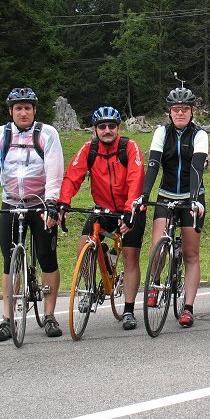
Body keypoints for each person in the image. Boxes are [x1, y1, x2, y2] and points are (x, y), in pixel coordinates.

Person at [0, 87, 64, 341]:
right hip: (11, 203)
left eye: (27, 108)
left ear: (34, 110)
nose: (23, 113)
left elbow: (55, 171)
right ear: (10, 111)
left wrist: (51, 203)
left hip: (39, 203)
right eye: (18, 108)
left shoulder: (47, 134)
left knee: (47, 257)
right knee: (8, 261)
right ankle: (7, 319)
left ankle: (49, 315)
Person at [58, 106, 145, 330]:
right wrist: (64, 202)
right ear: (95, 129)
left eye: (111, 126)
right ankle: (90, 288)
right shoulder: (90, 149)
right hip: (104, 208)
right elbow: (72, 176)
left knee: (130, 257)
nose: (107, 130)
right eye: (102, 126)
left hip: (131, 209)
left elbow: (136, 180)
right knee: (83, 246)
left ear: (118, 128)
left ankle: (128, 310)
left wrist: (129, 211)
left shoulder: (130, 147)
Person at [138, 87, 208, 328]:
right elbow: (154, 165)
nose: (180, 113)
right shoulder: (161, 132)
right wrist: (144, 195)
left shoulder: (199, 135)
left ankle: (188, 307)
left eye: (185, 109)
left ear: (191, 112)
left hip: (192, 197)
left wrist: (195, 200)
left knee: (190, 254)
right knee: (158, 246)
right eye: (176, 109)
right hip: (166, 195)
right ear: (169, 112)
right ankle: (155, 282)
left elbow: (197, 169)